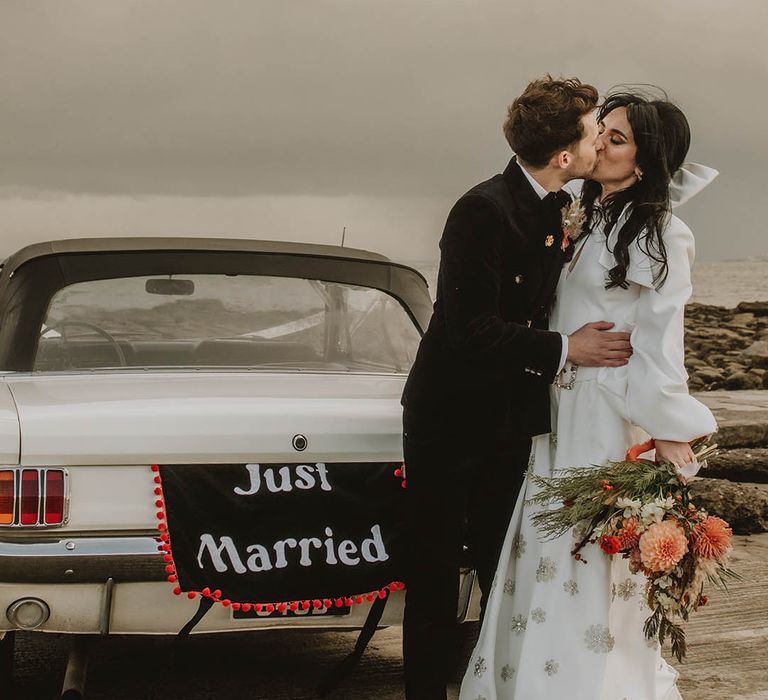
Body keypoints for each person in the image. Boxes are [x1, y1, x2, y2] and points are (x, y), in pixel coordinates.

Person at [458, 91, 718, 699]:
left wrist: (671, 430)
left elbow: (657, 343)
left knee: (591, 563)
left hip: (607, 414)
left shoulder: (664, 234)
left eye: (618, 139)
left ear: (647, 162)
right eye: (603, 131)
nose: (599, 144)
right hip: (558, 404)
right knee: (544, 550)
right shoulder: (581, 215)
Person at [400, 76, 635, 700]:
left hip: (512, 420)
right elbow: (468, 328)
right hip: (448, 422)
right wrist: (567, 349)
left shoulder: (561, 204)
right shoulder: (481, 210)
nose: (598, 144)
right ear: (564, 155)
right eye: (592, 134)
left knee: (503, 568)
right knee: (434, 572)